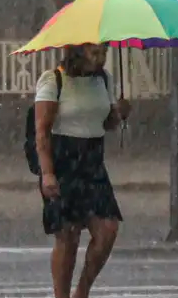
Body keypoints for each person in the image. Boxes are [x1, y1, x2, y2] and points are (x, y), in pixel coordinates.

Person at [34, 44, 131, 298]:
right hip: (63, 161)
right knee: (68, 236)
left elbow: (107, 123)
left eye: (104, 53)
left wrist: (119, 113)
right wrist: (47, 173)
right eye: (94, 53)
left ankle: (83, 291)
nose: (100, 59)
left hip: (92, 161)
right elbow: (42, 132)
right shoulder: (53, 79)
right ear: (78, 51)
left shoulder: (104, 79)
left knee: (107, 230)